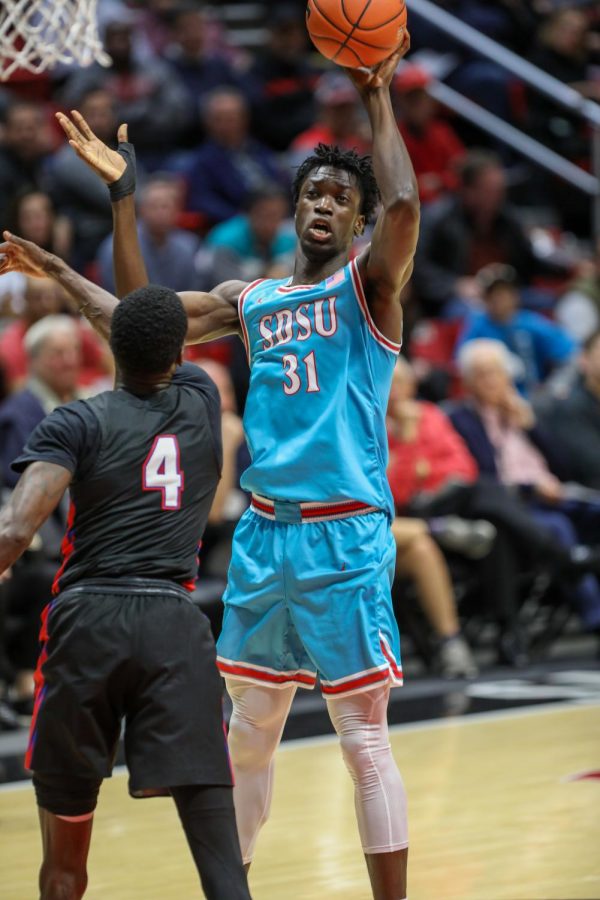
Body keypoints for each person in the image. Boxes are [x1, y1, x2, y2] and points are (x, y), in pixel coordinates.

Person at [43, 35, 419, 899]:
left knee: (363, 739)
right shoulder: (250, 300)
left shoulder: (368, 290)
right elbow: (135, 321)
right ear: (295, 211)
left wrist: (377, 95)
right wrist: (115, 208)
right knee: (248, 736)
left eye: (340, 197)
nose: (325, 203)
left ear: (355, 224)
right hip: (261, 537)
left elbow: (403, 209)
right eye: (314, 192)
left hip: (343, 536)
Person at [0, 280, 251, 899]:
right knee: (222, 866)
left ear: (108, 345)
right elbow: (142, 315)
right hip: (174, 625)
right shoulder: (200, 402)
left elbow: (13, 531)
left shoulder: (76, 420)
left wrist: (58, 267)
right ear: (177, 352)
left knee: (64, 862)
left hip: (87, 623)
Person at [457, 264, 576, 394]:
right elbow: (463, 362)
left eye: (504, 293)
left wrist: (553, 387)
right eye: (493, 294)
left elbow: (568, 351)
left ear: (515, 295)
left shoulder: (530, 322)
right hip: (492, 396)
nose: (499, 299)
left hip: (532, 397)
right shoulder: (477, 325)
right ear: (485, 299)